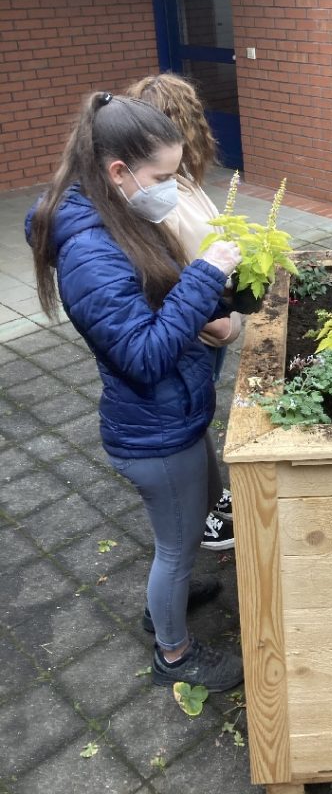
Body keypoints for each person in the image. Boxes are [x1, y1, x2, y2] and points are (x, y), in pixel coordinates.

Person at [26, 92, 245, 692]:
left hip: (175, 413)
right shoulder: (89, 252)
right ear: (118, 172)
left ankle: (163, 607)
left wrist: (222, 295)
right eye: (163, 177)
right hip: (152, 430)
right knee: (175, 550)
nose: (171, 190)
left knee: (202, 509)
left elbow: (156, 298)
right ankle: (173, 655)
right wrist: (204, 276)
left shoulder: (119, 214)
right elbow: (144, 356)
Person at [125, 72, 239, 553]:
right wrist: (216, 324)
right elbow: (164, 278)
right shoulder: (155, 197)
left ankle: (212, 498)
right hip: (193, 330)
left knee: (200, 410)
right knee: (189, 416)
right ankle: (204, 514)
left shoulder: (182, 181)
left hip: (206, 319)